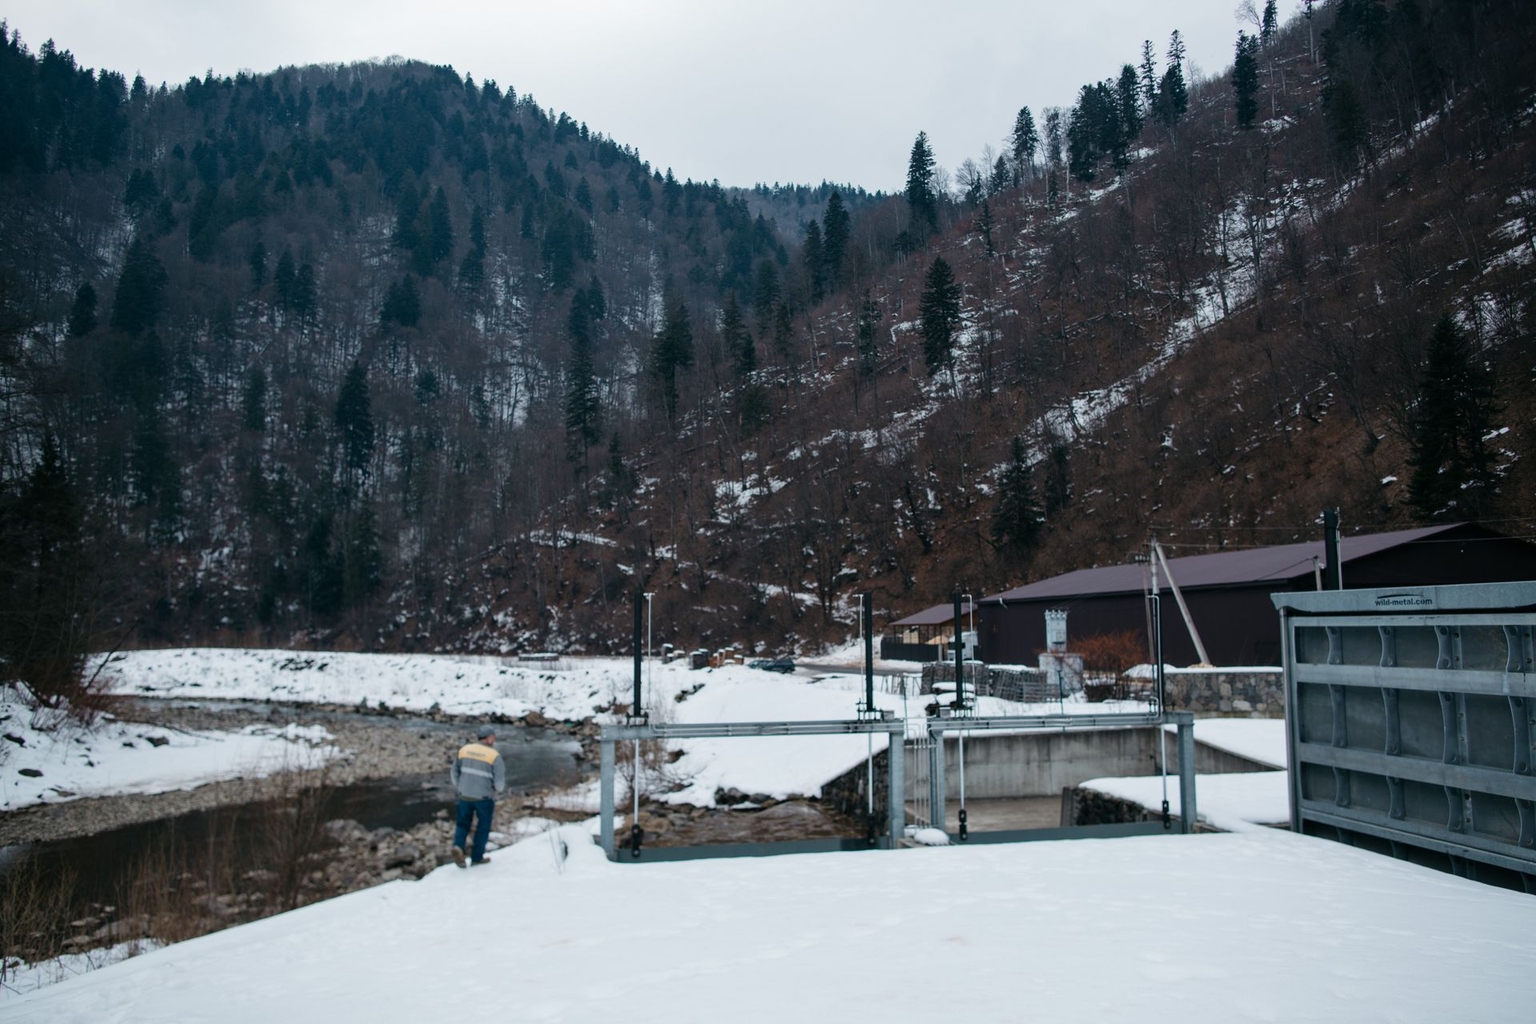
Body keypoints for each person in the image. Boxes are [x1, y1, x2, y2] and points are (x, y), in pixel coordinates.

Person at [450, 725, 506, 867]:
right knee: (483, 827)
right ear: (489, 738)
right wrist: (497, 790)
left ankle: (458, 846)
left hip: (464, 795)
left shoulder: (464, 750)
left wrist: (460, 786)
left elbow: (454, 771)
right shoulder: (494, 756)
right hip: (484, 797)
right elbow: (499, 782)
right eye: (493, 737)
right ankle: (477, 857)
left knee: (463, 824)